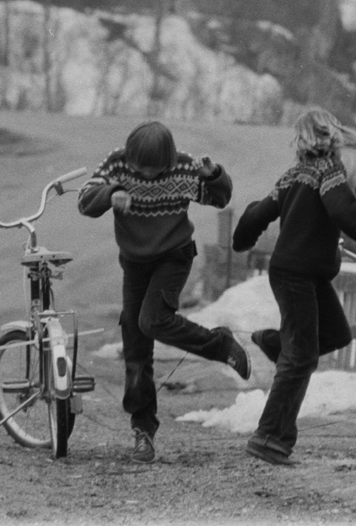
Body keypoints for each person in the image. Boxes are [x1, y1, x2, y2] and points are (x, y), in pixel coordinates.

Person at [78, 120, 251, 463]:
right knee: (135, 343)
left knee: (152, 320)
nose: (145, 175)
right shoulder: (118, 163)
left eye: (154, 170)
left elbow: (220, 198)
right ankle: (143, 431)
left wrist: (214, 174)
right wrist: (111, 194)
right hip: (135, 262)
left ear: (168, 162)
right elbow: (85, 201)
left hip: (174, 256)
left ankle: (220, 344)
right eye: (139, 167)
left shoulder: (183, 167)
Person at [232, 107, 356, 466]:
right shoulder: (328, 171)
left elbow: (258, 212)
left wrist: (242, 239)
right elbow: (345, 212)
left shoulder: (294, 175)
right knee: (301, 357)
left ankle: (274, 342)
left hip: (303, 273)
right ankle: (269, 437)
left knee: (335, 334)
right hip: (294, 275)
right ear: (331, 136)